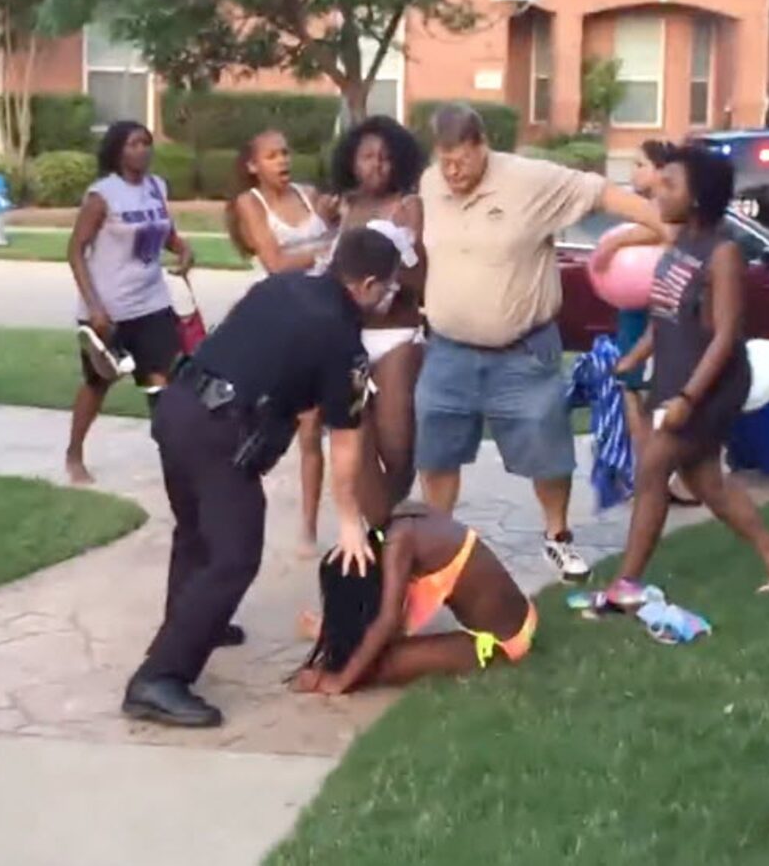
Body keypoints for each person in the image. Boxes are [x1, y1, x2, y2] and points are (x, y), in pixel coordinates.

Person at [122, 227, 399, 728]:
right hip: (219, 434)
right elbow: (346, 441)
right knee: (234, 556)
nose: (389, 298)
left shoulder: (282, 286)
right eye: (389, 288)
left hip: (179, 408)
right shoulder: (343, 338)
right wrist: (351, 523)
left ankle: (187, 625)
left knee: (197, 536)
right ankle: (159, 678)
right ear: (368, 284)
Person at [414, 103, 664, 581]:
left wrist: (664, 229)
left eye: (461, 161)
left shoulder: (529, 180)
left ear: (482, 146)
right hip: (447, 351)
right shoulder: (431, 184)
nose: (452, 173)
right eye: (443, 162)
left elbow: (604, 194)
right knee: (437, 450)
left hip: (522, 353)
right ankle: (438, 545)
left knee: (547, 452)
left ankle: (557, 537)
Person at [604, 144, 769, 604]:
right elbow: (665, 314)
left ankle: (626, 585)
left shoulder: (723, 254)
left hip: (711, 385)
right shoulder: (681, 242)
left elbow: (726, 336)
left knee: (654, 469)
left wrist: (688, 398)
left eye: (671, 184)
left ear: (697, 197)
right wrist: (635, 356)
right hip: (680, 376)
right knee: (708, 483)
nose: (659, 191)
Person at [227, 129, 338, 558]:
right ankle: (237, 509)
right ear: (253, 165)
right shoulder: (248, 204)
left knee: (312, 427)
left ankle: (308, 527)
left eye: (286, 152)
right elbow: (275, 263)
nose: (282, 161)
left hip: (321, 318)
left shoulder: (310, 195)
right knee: (261, 426)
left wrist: (330, 232)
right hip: (277, 322)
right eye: (271, 155)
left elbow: (340, 237)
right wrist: (323, 251)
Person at [65, 120, 195, 484]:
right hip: (109, 308)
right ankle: (74, 453)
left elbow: (164, 232)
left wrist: (183, 248)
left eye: (147, 143)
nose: (143, 150)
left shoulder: (156, 187)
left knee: (163, 382)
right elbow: (75, 250)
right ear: (117, 151)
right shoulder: (102, 195)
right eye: (134, 144)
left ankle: (175, 456)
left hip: (152, 303)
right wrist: (94, 308)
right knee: (99, 383)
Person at [290, 502, 535, 695]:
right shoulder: (403, 522)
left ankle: (342, 648)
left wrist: (338, 681)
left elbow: (388, 622)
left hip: (501, 645)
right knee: (371, 648)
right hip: (517, 619)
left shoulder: (399, 544)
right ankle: (339, 634)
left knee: (379, 663)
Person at [320, 116, 428, 507]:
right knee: (356, 442)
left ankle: (390, 519)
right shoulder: (343, 207)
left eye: (385, 157)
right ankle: (376, 531)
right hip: (350, 338)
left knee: (397, 444)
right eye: (367, 156)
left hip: (396, 337)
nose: (376, 165)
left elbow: (418, 278)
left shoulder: (408, 206)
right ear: (352, 161)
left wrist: (399, 249)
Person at [590, 139, 704, 506]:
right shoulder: (642, 208)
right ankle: (648, 474)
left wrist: (619, 241)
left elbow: (669, 232)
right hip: (634, 311)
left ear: (660, 170)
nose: (633, 172)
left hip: (663, 313)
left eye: (640, 164)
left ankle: (673, 476)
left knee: (658, 393)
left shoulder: (672, 207)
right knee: (630, 388)